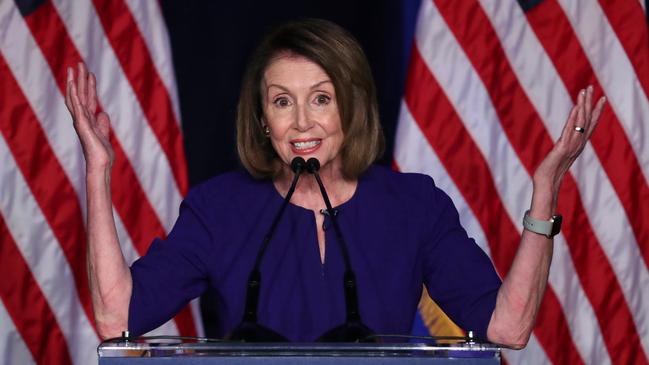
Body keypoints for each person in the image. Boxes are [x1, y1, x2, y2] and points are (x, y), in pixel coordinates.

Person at [65, 19, 605, 347]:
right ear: (261, 121)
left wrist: (544, 193)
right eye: (282, 102)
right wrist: (98, 169)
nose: (302, 122)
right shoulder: (218, 209)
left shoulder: (414, 206)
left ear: (351, 107)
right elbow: (118, 317)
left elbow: (506, 329)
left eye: (321, 98)